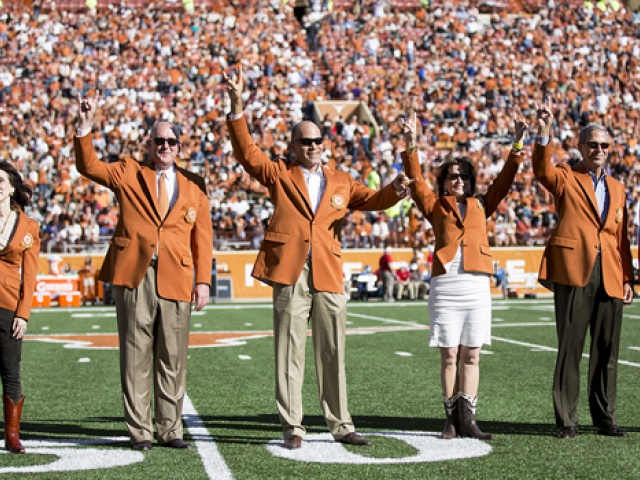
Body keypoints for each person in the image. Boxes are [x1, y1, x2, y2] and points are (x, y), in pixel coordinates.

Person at [224, 68, 413, 449]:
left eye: (317, 140)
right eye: (305, 141)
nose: (312, 146)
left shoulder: (342, 180)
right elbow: (247, 153)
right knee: (288, 352)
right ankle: (292, 426)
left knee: (333, 352)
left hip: (327, 271)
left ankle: (341, 424)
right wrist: (237, 106)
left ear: (325, 144)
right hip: (290, 271)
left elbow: (375, 201)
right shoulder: (279, 173)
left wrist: (396, 188)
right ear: (293, 145)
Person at [74, 94, 213, 451]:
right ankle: (140, 431)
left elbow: (203, 238)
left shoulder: (196, 185)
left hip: (178, 277)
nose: (164, 146)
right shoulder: (128, 171)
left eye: (170, 142)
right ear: (149, 145)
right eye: (158, 141)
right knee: (135, 356)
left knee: (173, 359)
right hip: (136, 275)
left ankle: (170, 429)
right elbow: (89, 165)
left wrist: (203, 280)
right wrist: (85, 129)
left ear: (180, 148)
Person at [401, 112, 526, 440]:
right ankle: (451, 419)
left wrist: (517, 145)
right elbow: (414, 179)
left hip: (476, 284)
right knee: (450, 354)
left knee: (472, 353)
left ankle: (469, 419)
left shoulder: (483, 203)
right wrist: (411, 145)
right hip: (446, 283)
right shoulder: (435, 205)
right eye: (453, 176)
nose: (459, 181)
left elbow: (507, 178)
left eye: (464, 177)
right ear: (444, 181)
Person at [533, 99, 633, 439]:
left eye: (605, 145)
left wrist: (629, 278)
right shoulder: (565, 176)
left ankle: (605, 417)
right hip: (575, 270)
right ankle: (567, 420)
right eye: (593, 144)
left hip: (611, 275)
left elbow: (621, 237)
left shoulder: (619, 188)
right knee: (570, 349)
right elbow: (541, 170)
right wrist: (544, 131)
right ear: (581, 147)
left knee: (608, 351)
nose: (599, 150)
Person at [0, 162, 40, 454]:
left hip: (8, 305)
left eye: (1, 180)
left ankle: (12, 435)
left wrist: (23, 314)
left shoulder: (28, 226)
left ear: (12, 186)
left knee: (10, 372)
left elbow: (31, 275)